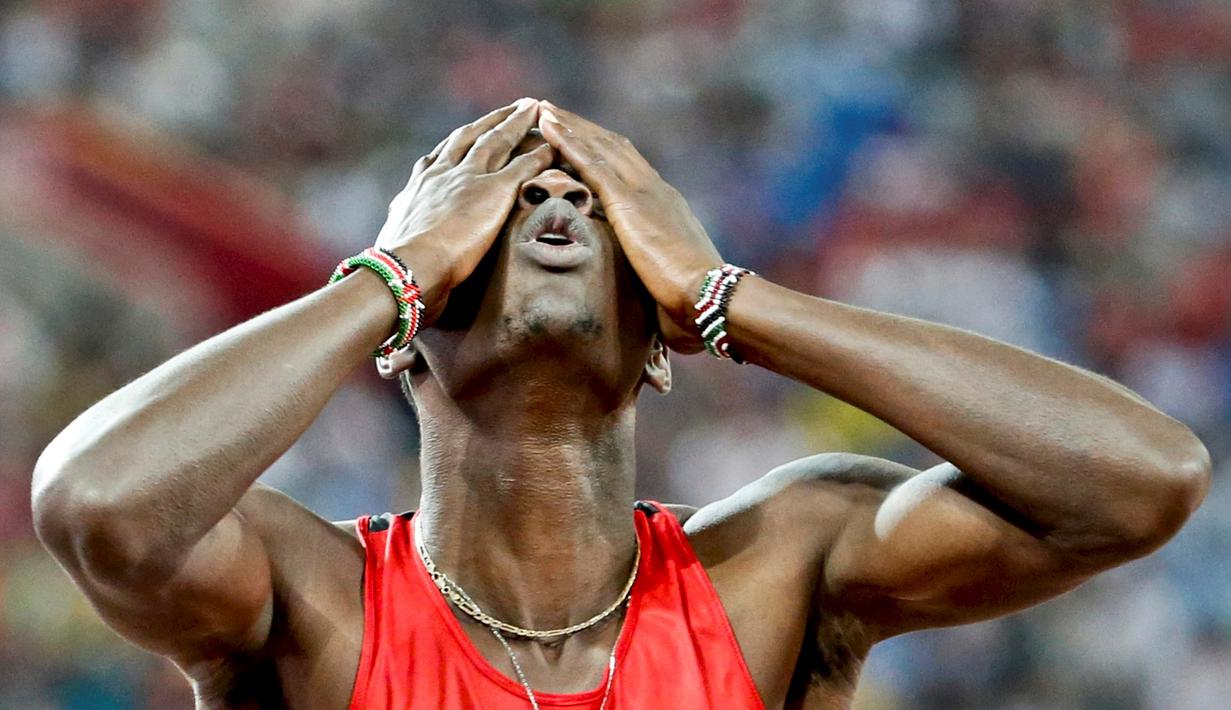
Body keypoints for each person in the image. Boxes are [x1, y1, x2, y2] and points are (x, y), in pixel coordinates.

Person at [31, 98, 1211, 709]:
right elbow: (98, 502)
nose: (554, 214)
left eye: (597, 210)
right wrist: (386, 273)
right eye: (501, 212)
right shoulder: (304, 590)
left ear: (661, 348)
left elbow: (1138, 480)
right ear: (408, 336)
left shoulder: (778, 564)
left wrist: (729, 296)